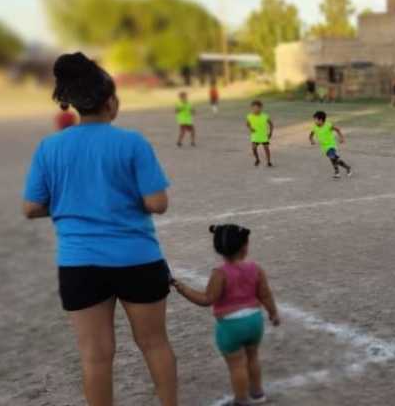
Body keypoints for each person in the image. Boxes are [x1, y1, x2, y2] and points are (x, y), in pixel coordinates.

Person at [23, 52, 177, 406]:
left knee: (95, 356)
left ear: (75, 104)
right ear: (111, 101)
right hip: (137, 258)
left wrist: (70, 205)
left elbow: (31, 207)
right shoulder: (132, 142)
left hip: (80, 265)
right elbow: (157, 203)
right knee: (155, 344)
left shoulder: (50, 147)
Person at [172, 224, 280, 406]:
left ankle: (241, 400)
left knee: (237, 365)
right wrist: (273, 313)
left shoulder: (219, 274)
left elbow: (207, 299)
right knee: (253, 358)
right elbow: (265, 294)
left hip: (230, 326)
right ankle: (258, 393)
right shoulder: (256, 268)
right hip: (254, 321)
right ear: (245, 246)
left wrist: (181, 288)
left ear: (219, 249)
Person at [309, 111, 352, 178]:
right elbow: (311, 135)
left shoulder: (328, 125)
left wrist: (341, 138)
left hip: (331, 145)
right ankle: (347, 168)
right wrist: (311, 140)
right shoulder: (315, 127)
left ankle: (337, 172)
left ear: (321, 120)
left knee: (332, 157)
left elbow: (337, 129)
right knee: (333, 159)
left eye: (315, 119)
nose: (314, 121)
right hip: (324, 147)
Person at [246, 100, 273, 167]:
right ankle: (257, 159)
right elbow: (247, 124)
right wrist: (250, 128)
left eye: (257, 108)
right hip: (255, 136)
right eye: (253, 108)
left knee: (266, 148)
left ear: (261, 108)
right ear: (251, 108)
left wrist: (270, 133)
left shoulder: (265, 116)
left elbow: (271, 124)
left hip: (263, 135)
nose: (255, 110)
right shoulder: (249, 116)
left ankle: (268, 161)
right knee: (254, 148)